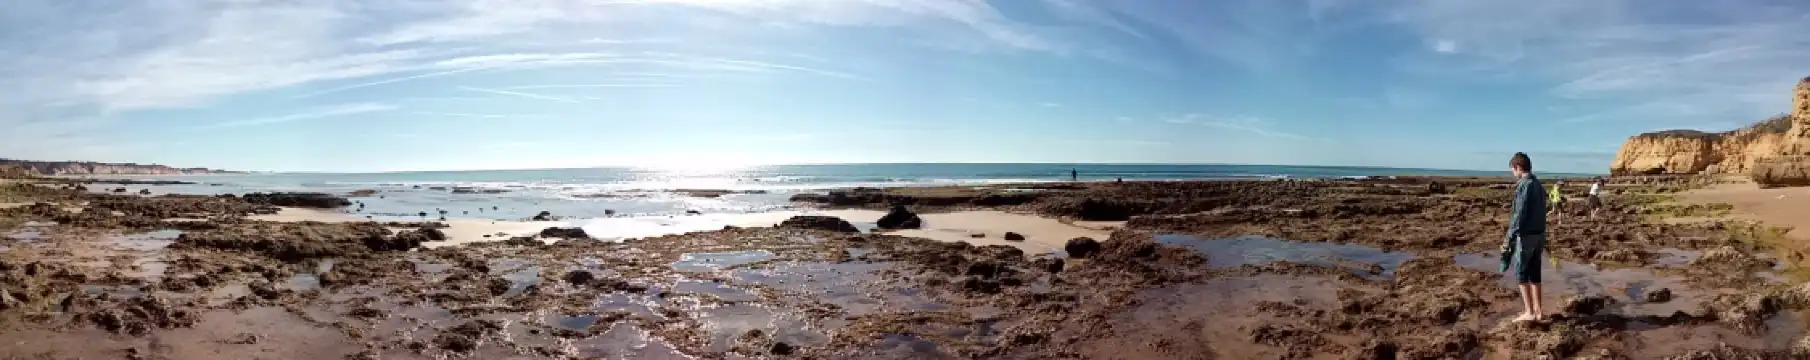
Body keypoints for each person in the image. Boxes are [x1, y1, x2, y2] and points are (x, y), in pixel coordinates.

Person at [1501, 152, 1548, 322]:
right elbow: (1543, 211)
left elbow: (1518, 215)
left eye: (1513, 170)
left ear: (1518, 168)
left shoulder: (1524, 185)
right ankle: (1539, 311)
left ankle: (1529, 312)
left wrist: (1508, 239)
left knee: (1521, 273)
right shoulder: (1538, 185)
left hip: (1526, 236)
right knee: (1535, 273)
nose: (1513, 174)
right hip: (1539, 235)